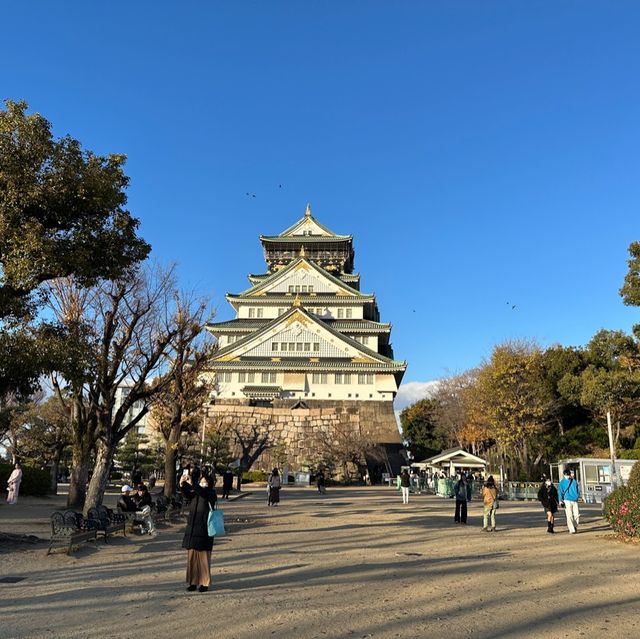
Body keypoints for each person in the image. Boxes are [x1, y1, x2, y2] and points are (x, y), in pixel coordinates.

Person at [180, 468, 217, 593]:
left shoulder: (211, 493)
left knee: (203, 558)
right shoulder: (196, 492)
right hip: (193, 529)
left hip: (204, 529)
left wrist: (194, 484)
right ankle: (192, 582)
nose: (203, 484)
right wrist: (182, 484)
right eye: (201, 482)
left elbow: (203, 493)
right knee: (192, 557)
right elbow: (187, 495)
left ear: (210, 484)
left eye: (205, 482)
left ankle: (204, 582)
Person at [558, 468, 580, 534]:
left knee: (577, 515)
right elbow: (560, 491)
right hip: (567, 500)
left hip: (574, 500)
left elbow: (577, 489)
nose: (567, 476)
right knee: (569, 515)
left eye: (568, 475)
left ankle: (575, 526)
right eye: (566, 475)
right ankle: (571, 529)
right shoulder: (562, 482)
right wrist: (560, 500)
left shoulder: (574, 481)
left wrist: (577, 495)